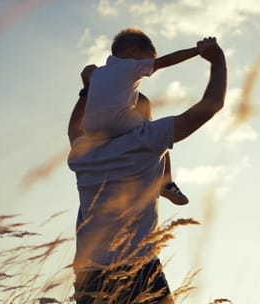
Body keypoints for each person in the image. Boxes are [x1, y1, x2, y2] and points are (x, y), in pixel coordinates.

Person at [65, 36, 227, 304]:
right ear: (135, 115)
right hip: (138, 272)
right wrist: (217, 60)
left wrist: (89, 88)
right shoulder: (145, 140)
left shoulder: (80, 152)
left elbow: (76, 123)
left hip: (89, 278)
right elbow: (211, 105)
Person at [81, 28, 202, 206]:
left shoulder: (97, 72)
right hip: (116, 120)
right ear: (133, 52)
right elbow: (167, 60)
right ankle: (165, 182)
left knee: (143, 101)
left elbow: (85, 72)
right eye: (148, 60)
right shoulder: (130, 65)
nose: (148, 67)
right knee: (157, 131)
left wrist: (88, 91)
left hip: (89, 128)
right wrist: (198, 50)